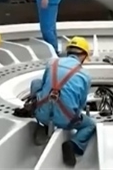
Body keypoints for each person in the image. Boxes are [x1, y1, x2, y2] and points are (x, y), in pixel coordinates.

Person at [29, 36, 94, 167]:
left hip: (41, 113)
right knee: (90, 125)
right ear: (83, 56)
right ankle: (73, 144)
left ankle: (42, 123)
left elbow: (44, 85)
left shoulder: (52, 63)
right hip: (65, 120)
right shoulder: (85, 75)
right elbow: (81, 104)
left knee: (36, 83)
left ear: (68, 51)